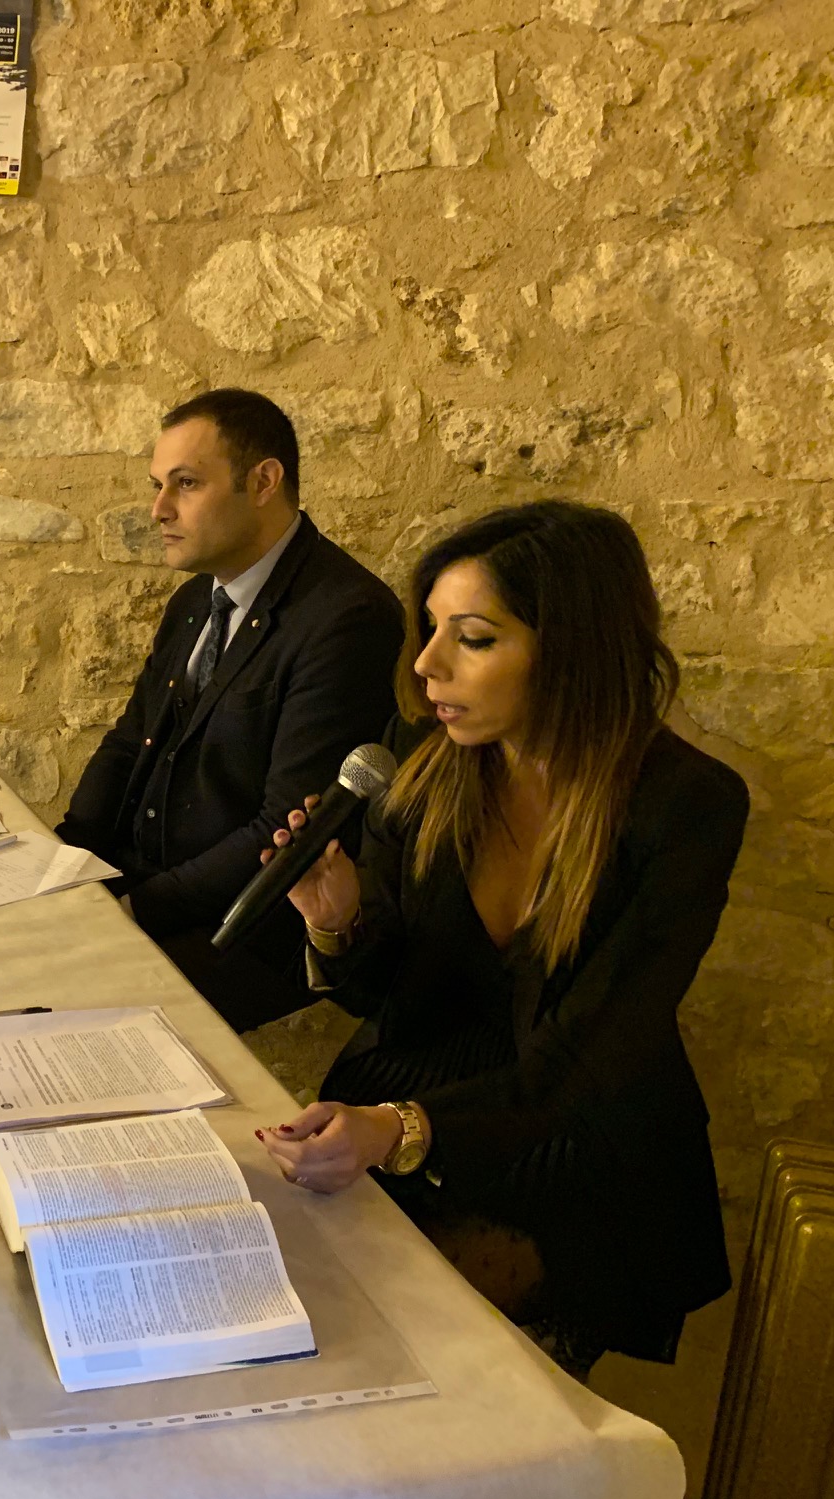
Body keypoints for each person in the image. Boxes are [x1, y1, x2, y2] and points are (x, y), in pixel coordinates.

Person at [257, 501, 748, 1381]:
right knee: (291, 1304)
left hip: (571, 1145)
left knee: (417, 1368)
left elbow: (590, 1056)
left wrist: (400, 1130)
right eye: (432, 628)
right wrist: (337, 921)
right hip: (411, 1109)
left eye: (473, 638)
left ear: (573, 651)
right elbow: (389, 996)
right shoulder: (425, 758)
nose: (427, 664)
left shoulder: (686, 806)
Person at [57, 389, 403, 1031]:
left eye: (186, 483)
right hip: (151, 885)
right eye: (159, 485)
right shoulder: (196, 600)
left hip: (248, 922)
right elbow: (130, 741)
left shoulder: (347, 617)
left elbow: (285, 828)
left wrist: (133, 912)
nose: (159, 508)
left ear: (264, 481)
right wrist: (66, 859)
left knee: (64, 1014)